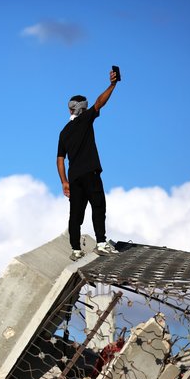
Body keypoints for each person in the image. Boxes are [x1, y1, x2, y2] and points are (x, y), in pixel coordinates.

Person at [56, 69, 120, 261]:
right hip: (90, 172)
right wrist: (113, 84)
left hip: (74, 177)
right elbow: (100, 103)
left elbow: (60, 159)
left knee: (75, 214)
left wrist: (64, 182)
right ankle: (101, 243)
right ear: (82, 108)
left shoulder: (64, 132)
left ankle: (75, 249)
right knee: (98, 205)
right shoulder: (86, 119)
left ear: (70, 109)